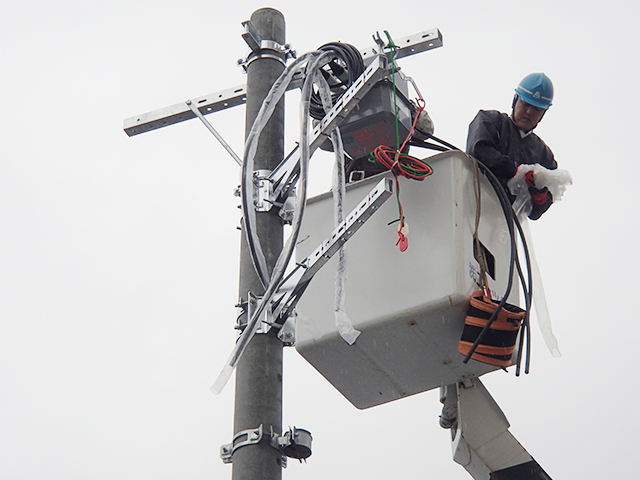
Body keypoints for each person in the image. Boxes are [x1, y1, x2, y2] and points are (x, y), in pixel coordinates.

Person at [466, 73, 557, 220]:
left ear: (543, 114)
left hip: (506, 227)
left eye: (536, 109)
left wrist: (540, 199)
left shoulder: (544, 156)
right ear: (515, 101)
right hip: (472, 209)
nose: (529, 112)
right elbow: (479, 151)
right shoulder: (491, 121)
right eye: (526, 104)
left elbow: (537, 210)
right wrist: (516, 170)